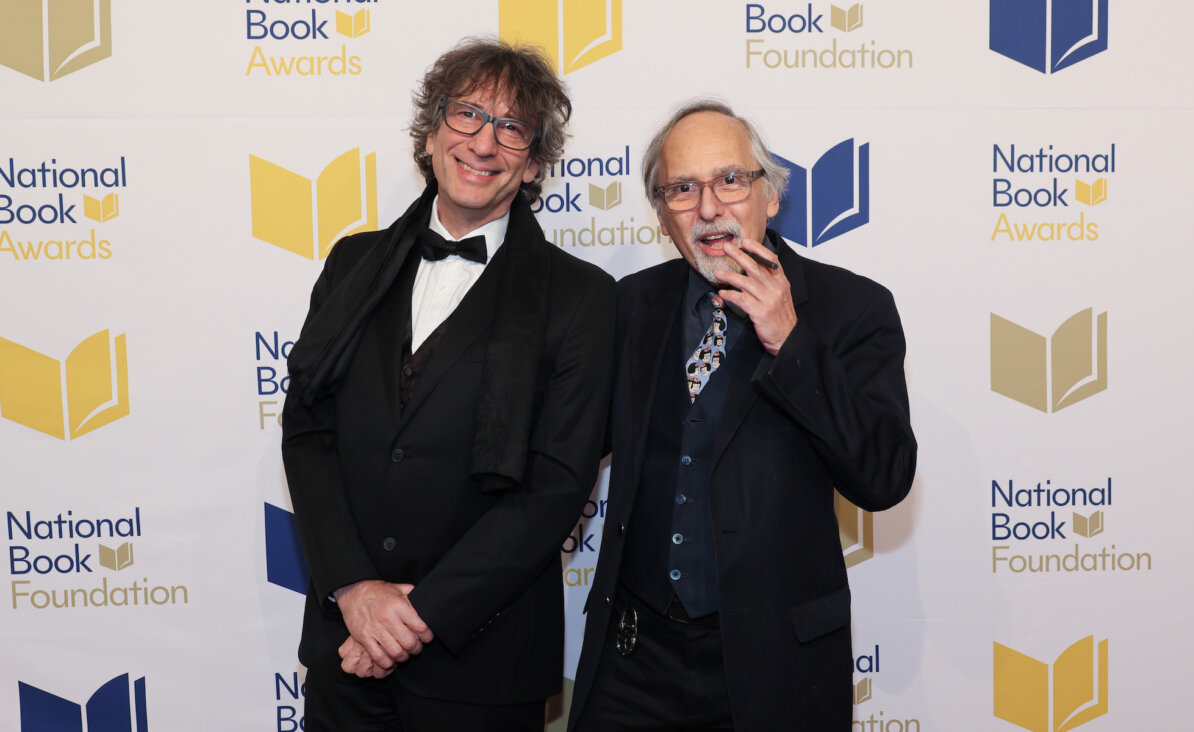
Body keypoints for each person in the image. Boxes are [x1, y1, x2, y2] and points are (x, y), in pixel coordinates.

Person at [281, 38, 615, 731]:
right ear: (430, 133)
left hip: (483, 665)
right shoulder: (352, 263)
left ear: (533, 164)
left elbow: (556, 486)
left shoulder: (583, 298)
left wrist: (415, 617)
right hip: (346, 647)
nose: (483, 143)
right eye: (466, 115)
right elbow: (308, 430)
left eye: (512, 127)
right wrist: (356, 590)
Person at [568, 100, 917, 731]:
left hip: (775, 667)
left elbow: (884, 478)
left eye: (729, 180)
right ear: (660, 214)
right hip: (632, 662)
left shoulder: (852, 309)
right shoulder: (628, 306)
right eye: (682, 189)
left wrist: (792, 342)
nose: (708, 208)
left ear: (771, 195)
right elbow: (567, 449)